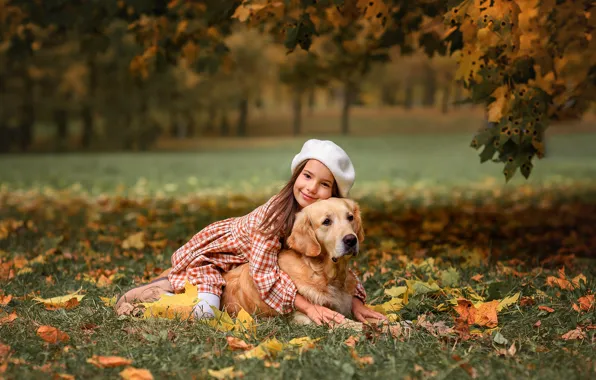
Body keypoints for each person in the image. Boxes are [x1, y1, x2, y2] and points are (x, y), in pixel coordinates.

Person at [115, 139, 386, 325]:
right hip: (214, 257)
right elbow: (264, 274)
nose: (311, 188)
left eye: (324, 184)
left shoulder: (316, 218)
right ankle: (159, 293)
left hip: (242, 264)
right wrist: (308, 307)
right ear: (295, 176)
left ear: (333, 193)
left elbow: (338, 271)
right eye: (307, 176)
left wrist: (357, 301)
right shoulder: (273, 217)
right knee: (206, 312)